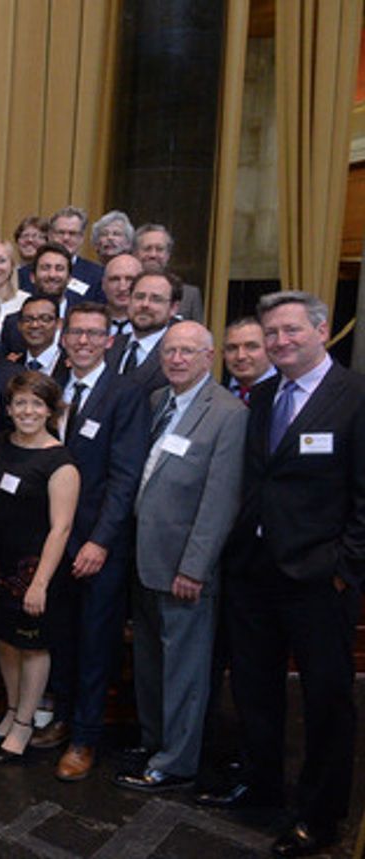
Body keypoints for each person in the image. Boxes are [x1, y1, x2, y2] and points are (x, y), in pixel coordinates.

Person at [206, 292, 365, 857]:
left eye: (291, 331)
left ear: (322, 331)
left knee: (325, 699)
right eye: (271, 333)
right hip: (254, 572)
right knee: (254, 688)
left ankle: (320, 815)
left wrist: (344, 569)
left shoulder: (354, 397)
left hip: (319, 580)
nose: (279, 342)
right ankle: (262, 782)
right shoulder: (264, 395)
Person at [117, 321, 246, 793]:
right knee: (150, 662)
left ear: (208, 357)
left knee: (185, 670)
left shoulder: (228, 414)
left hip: (183, 569)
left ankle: (177, 761)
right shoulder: (156, 403)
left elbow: (220, 499)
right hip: (144, 559)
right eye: (170, 351)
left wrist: (195, 566)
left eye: (187, 352)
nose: (176, 359)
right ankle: (156, 742)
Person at [36, 303, 149, 783]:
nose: (83, 341)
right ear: (64, 337)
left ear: (109, 341)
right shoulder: (49, 389)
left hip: (97, 544)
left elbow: (126, 478)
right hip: (52, 540)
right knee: (58, 635)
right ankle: (62, 717)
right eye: (76, 332)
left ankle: (85, 738)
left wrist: (101, 541)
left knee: (95, 640)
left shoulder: (125, 394)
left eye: (93, 334)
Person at [0, 372, 79, 764]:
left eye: (36, 404)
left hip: (36, 569)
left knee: (32, 645)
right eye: (20, 403)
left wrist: (39, 583)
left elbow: (61, 528)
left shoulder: (61, 461)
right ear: (9, 409)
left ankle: (26, 722)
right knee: (5, 640)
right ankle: (11, 710)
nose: (27, 411)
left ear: (50, 410)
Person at [108, 272, 181, 393]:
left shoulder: (179, 355)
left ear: (173, 308)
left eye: (156, 299)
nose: (145, 305)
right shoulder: (110, 347)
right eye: (139, 297)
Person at [221, 316, 275, 401]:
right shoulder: (215, 394)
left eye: (251, 347)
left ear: (270, 349)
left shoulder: (284, 393)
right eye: (232, 348)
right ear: (223, 354)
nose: (240, 356)